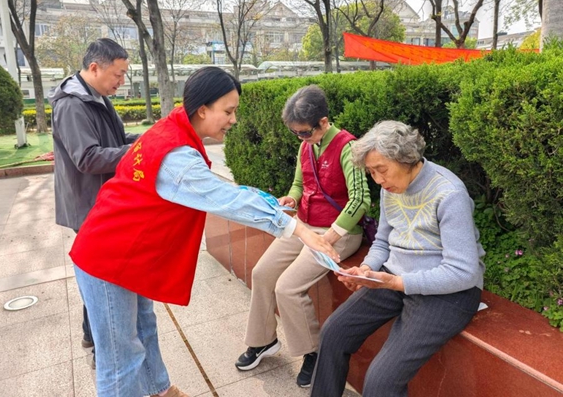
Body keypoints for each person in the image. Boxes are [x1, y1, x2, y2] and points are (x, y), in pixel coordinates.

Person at [68, 67, 338, 397]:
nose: (234, 120)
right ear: (203, 110)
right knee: (120, 361)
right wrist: (300, 230)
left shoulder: (172, 127)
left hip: (123, 252)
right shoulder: (176, 156)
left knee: (144, 328)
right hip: (107, 259)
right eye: (228, 111)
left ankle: (160, 390)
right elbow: (227, 199)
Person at [310, 120, 486, 397]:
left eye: (381, 170)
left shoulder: (449, 193)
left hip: (448, 293)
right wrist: (366, 269)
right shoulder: (390, 188)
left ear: (406, 157)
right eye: (371, 172)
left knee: (381, 381)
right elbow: (382, 241)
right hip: (394, 278)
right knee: (334, 333)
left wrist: (395, 282)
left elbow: (463, 271)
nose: (378, 180)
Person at [235, 85, 371, 388]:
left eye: (305, 132)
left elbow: (360, 200)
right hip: (304, 227)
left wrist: (330, 237)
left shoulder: (348, 147)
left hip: (339, 232)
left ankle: (314, 352)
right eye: (295, 133)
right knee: (262, 273)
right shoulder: (306, 146)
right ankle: (263, 340)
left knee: (288, 288)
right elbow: (300, 183)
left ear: (323, 121)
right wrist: (291, 199)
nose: (301, 138)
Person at [50, 38, 140, 367]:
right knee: (100, 278)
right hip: (88, 205)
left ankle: (91, 334)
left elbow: (115, 141)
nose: (122, 81)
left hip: (102, 201)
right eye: (118, 74)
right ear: (94, 68)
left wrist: (147, 139)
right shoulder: (72, 105)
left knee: (96, 274)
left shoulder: (97, 97)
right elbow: (87, 158)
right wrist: (136, 152)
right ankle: (103, 350)